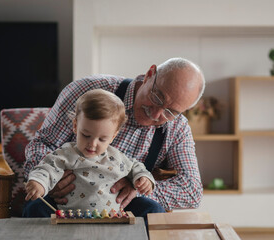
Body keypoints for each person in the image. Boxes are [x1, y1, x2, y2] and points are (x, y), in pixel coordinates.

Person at [23, 57, 205, 219]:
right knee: (36, 209)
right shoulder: (88, 91)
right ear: (150, 74)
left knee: (152, 211)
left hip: (117, 207)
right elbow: (43, 144)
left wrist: (139, 189)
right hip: (65, 198)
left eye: (170, 111)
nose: (156, 114)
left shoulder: (177, 128)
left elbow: (191, 190)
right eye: (157, 96)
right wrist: (48, 180)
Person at [25, 89, 155, 213]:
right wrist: (39, 183)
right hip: (68, 213)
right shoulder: (66, 153)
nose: (92, 144)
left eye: (102, 139)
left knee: (152, 207)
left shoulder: (117, 157)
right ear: (75, 126)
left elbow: (135, 166)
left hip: (113, 215)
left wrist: (143, 178)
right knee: (35, 207)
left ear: (113, 136)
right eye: (86, 135)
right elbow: (47, 168)